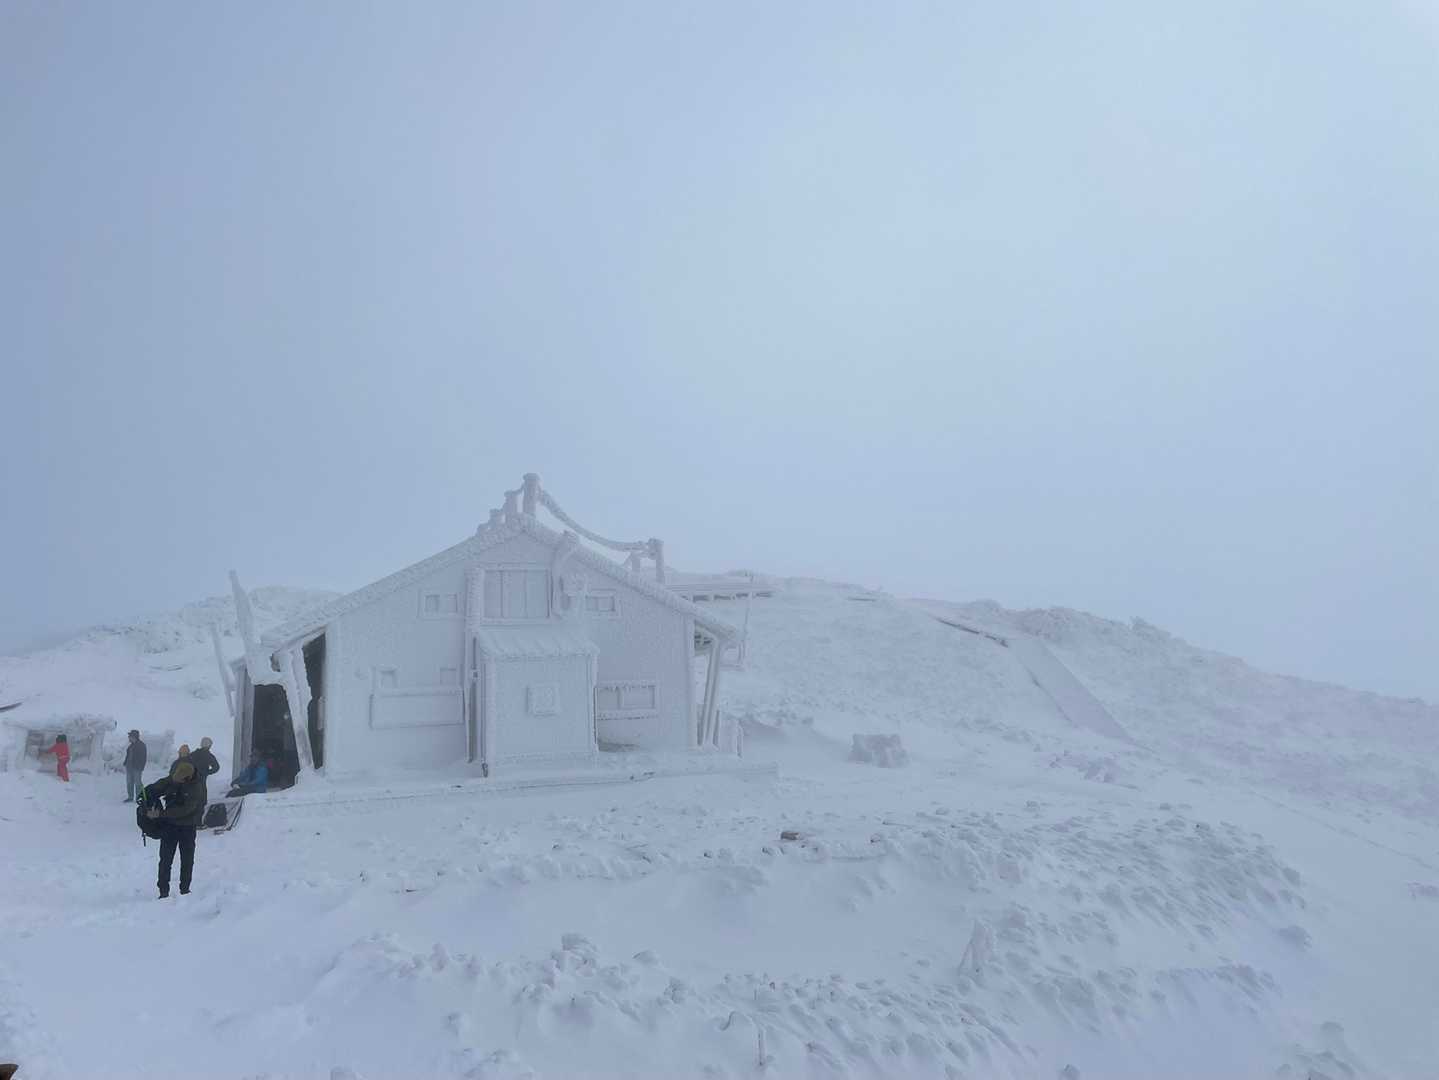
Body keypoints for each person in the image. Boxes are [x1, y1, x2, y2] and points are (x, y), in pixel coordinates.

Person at [144, 759, 206, 898]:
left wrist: (160, 814)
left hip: (187, 827)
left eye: (179, 780)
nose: (175, 781)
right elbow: (164, 782)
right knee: (165, 860)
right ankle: (163, 891)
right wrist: (149, 790)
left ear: (187, 778)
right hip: (170, 826)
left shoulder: (196, 788)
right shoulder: (178, 774)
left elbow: (185, 810)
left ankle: (185, 890)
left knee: (187, 860)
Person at [122, 729, 147, 803]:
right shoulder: (131, 746)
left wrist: (141, 767)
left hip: (137, 768)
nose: (128, 738)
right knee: (129, 782)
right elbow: (128, 755)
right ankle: (130, 797)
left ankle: (139, 798)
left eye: (130, 736)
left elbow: (144, 757)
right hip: (129, 767)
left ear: (134, 737)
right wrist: (125, 762)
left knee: (138, 783)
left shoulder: (141, 745)